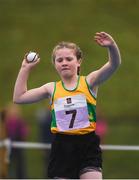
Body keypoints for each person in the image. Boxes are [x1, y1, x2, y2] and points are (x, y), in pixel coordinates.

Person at [13, 32, 121, 179]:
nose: (64, 62)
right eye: (60, 60)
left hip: (87, 145)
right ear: (55, 64)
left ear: (78, 62)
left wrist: (112, 46)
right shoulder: (51, 88)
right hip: (62, 147)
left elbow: (114, 65)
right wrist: (25, 68)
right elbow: (19, 97)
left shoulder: (89, 82)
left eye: (69, 59)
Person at [5, 103, 29, 179]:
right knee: (8, 163)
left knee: (20, 164)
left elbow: (25, 131)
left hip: (19, 144)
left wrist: (22, 136)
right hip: (9, 145)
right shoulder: (7, 121)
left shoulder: (20, 121)